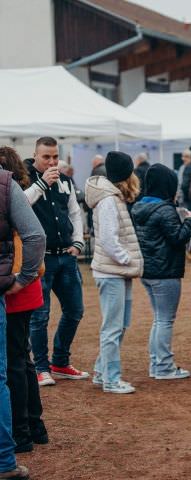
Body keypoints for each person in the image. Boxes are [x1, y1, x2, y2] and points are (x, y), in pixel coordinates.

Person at [25, 137, 88, 386]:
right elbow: (21, 202)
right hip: (40, 259)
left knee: (75, 310)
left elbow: (74, 212)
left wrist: (78, 242)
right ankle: (41, 367)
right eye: (46, 157)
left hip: (66, 257)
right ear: (35, 156)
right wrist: (41, 184)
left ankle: (60, 361)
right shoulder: (25, 179)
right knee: (40, 316)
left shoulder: (66, 180)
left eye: (54, 156)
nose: (52, 162)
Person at [0, 147, 48, 455]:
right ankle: (34, 425)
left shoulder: (15, 197)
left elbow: (33, 238)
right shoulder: (21, 194)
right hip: (26, 284)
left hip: (16, 286)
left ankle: (22, 432)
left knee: (15, 362)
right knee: (23, 358)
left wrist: (20, 279)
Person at [85, 152, 143, 394]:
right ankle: (111, 378)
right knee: (112, 327)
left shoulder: (113, 197)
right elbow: (109, 240)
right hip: (112, 272)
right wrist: (127, 259)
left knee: (120, 325)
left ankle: (102, 371)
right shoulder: (109, 200)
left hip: (117, 272)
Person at [132, 164, 191, 380]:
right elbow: (177, 237)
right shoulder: (165, 210)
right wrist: (189, 221)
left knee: (160, 319)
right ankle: (163, 366)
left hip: (149, 271)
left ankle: (157, 363)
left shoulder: (140, 207)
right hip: (165, 271)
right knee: (165, 320)